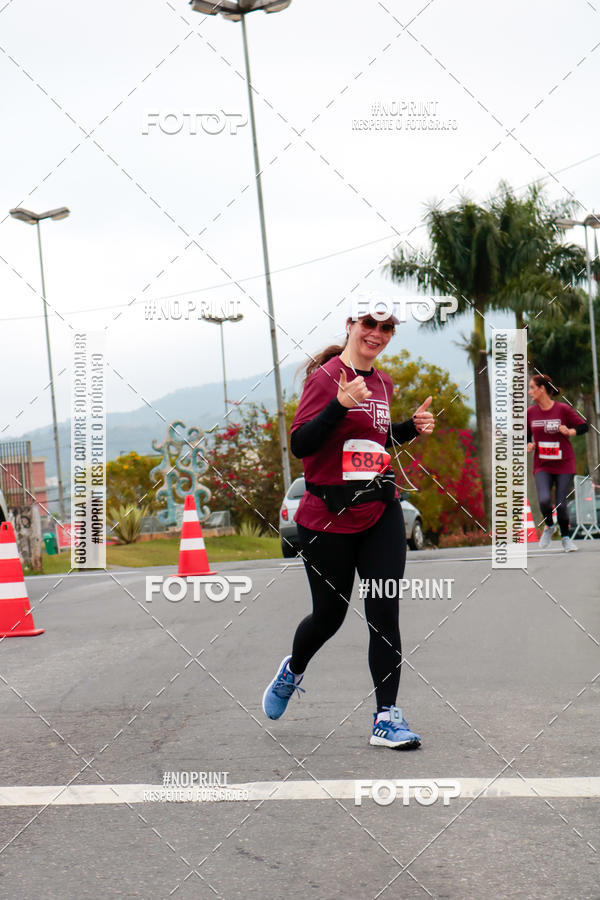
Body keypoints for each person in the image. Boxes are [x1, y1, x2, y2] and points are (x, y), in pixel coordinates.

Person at [262, 303, 435, 749]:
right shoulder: (324, 379)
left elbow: (374, 438)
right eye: (369, 324)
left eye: (386, 327)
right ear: (352, 326)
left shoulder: (383, 383)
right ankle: (293, 669)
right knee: (329, 616)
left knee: (383, 611)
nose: (376, 333)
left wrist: (409, 429)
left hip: (380, 510)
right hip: (327, 519)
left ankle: (385, 718)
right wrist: (338, 405)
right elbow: (302, 442)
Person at [526, 373, 588, 552]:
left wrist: (569, 432)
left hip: (564, 464)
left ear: (542, 389)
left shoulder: (563, 410)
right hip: (542, 465)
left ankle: (566, 538)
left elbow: (583, 426)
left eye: (532, 388)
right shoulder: (530, 413)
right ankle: (549, 526)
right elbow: (524, 437)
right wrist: (528, 445)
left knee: (560, 503)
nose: (530, 392)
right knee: (544, 500)